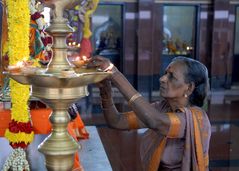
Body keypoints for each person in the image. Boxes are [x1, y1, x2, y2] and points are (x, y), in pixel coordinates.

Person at [87, 56, 211, 171]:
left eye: (171, 76)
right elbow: (117, 121)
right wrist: (105, 92)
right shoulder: (162, 108)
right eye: (165, 74)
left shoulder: (195, 119)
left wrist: (115, 74)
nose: (162, 79)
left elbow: (155, 121)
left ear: (189, 88)